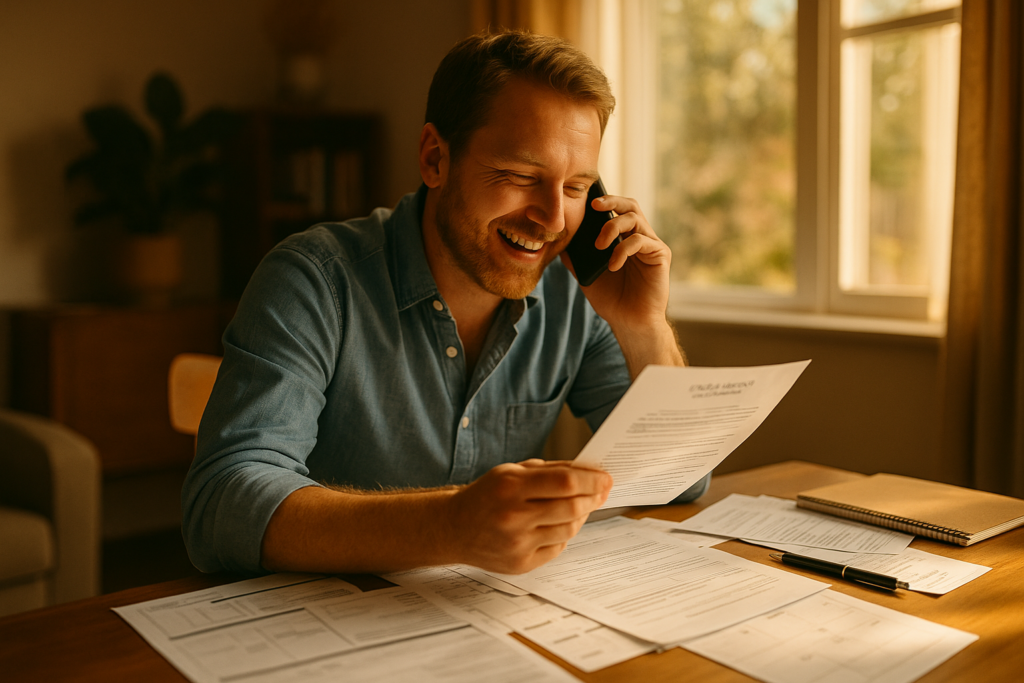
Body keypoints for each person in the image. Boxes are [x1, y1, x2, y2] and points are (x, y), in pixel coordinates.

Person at [182, 30, 708, 577]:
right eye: (521, 176)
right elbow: (220, 504)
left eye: (576, 188)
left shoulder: (576, 295)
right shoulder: (314, 280)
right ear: (435, 158)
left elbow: (682, 480)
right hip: (319, 625)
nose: (552, 219)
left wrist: (644, 327)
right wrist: (449, 526)